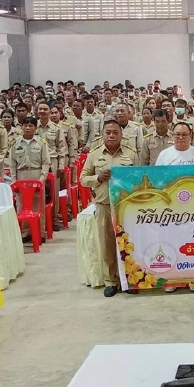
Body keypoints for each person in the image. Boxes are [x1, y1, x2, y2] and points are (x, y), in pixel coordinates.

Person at [81, 120, 139, 297]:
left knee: (129, 244)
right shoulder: (94, 155)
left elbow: (140, 177)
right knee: (107, 245)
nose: (112, 135)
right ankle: (111, 281)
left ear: (121, 135)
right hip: (104, 206)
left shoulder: (131, 154)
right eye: (108, 132)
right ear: (102, 135)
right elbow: (83, 179)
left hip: (126, 207)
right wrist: (98, 178)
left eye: (115, 132)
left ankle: (130, 280)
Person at [5, 117, 50, 182]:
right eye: (25, 125)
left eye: (30, 126)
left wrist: (42, 179)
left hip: (36, 173)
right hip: (20, 174)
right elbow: (12, 163)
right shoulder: (15, 143)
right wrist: (14, 179)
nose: (27, 128)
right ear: (21, 127)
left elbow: (46, 162)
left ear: (36, 128)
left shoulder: (41, 143)